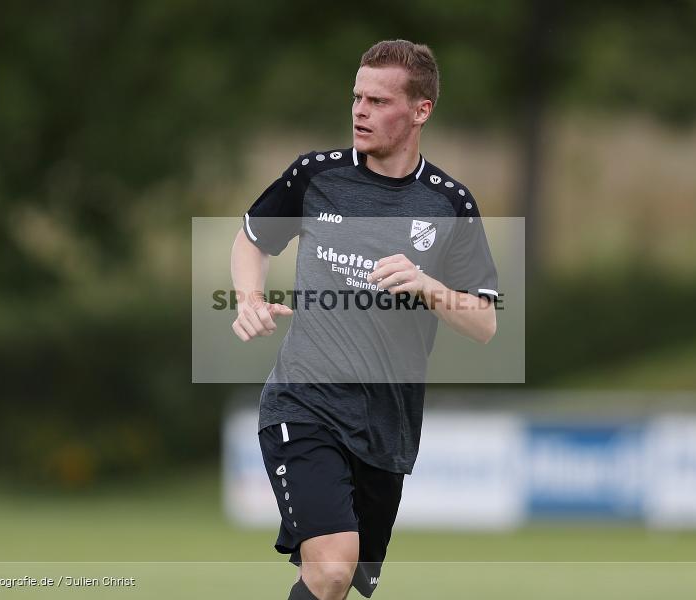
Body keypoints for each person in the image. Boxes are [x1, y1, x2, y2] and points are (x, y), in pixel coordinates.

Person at [230, 39, 498, 600]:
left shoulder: (449, 203)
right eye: (357, 97)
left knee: (331, 581)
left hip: (386, 427)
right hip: (303, 404)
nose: (360, 111)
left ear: (421, 110)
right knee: (332, 567)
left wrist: (428, 286)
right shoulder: (316, 175)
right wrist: (249, 298)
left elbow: (483, 324)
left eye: (378, 101)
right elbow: (252, 239)